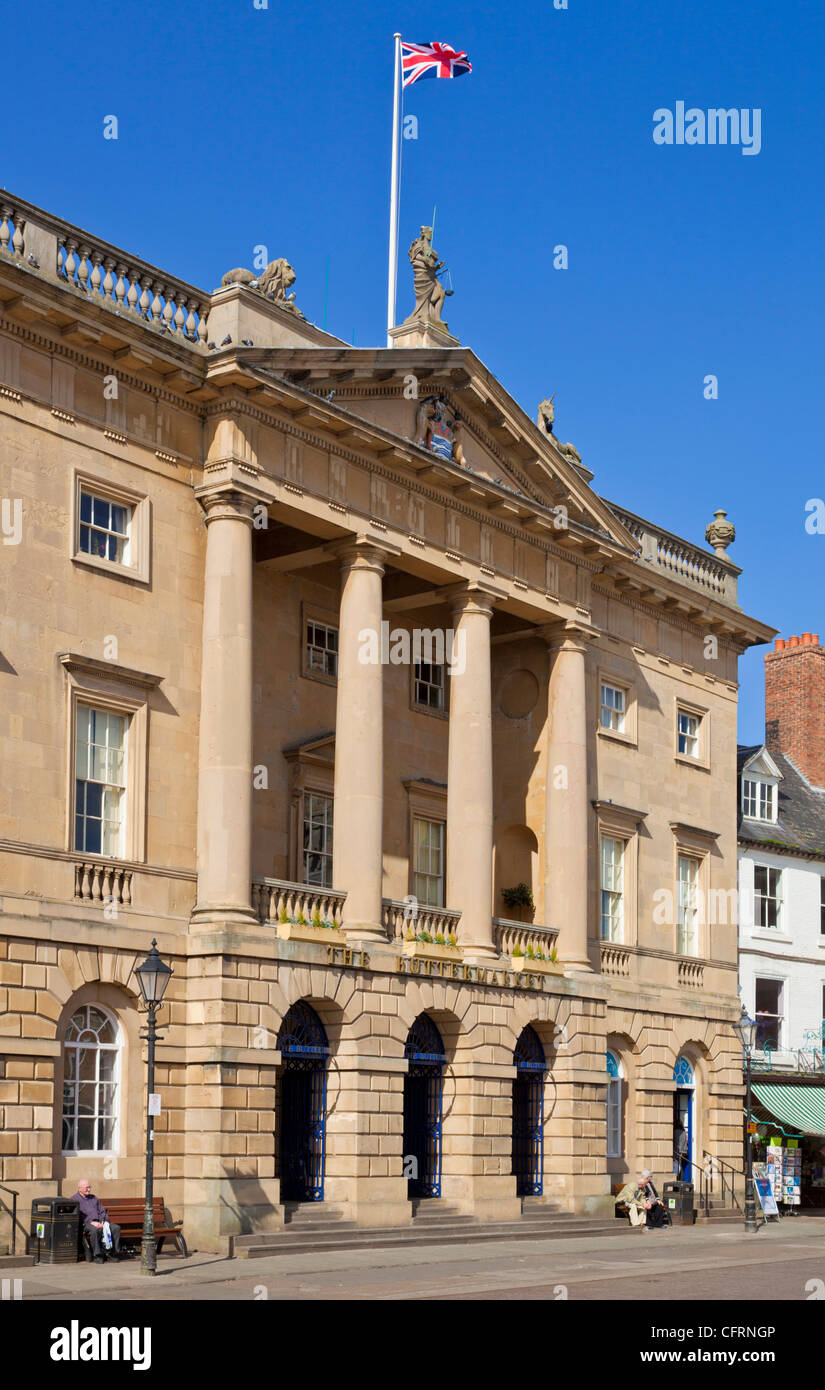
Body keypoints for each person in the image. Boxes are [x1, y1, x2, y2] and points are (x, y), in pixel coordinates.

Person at [73, 1179, 121, 1263]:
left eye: (89, 1187)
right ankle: (98, 1255)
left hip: (100, 1222)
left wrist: (102, 1221)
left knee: (116, 1228)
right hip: (86, 1223)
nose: (89, 1189)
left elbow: (102, 1211)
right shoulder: (74, 1199)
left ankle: (111, 1254)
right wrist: (91, 1222)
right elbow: (77, 1216)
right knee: (95, 1230)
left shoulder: (94, 1198)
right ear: (79, 1188)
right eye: (86, 1187)